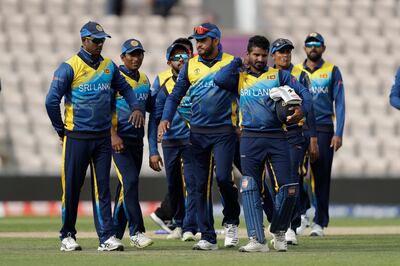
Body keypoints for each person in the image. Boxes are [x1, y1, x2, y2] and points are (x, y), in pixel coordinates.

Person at [45, 21, 144, 251]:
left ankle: (106, 237)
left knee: (103, 189)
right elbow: (51, 101)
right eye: (95, 40)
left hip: (101, 138)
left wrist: (137, 107)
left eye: (102, 40)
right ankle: (67, 235)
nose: (99, 44)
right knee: (71, 187)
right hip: (76, 136)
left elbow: (127, 89)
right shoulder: (69, 67)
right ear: (83, 41)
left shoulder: (109, 67)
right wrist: (61, 129)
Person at [214, 35, 313, 252]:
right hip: (249, 138)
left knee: (288, 188)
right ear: (248, 54)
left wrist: (300, 110)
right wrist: (236, 63)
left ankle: (279, 233)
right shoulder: (239, 77)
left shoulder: (279, 75)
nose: (259, 59)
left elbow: (305, 93)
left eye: (263, 55)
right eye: (255, 55)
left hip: (278, 137)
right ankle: (257, 240)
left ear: (268, 55)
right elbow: (219, 80)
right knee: (251, 187)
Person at [159, 23, 241, 250]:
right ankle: (208, 236)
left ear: (216, 40)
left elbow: (243, 93)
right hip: (197, 133)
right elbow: (175, 96)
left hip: (224, 131)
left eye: (203, 41)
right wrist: (165, 118)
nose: (199, 45)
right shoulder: (190, 65)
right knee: (197, 185)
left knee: (224, 178)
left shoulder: (231, 63)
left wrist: (243, 121)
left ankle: (232, 221)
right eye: (196, 41)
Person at [268, 38, 319, 245]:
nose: (285, 55)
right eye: (281, 52)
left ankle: (291, 225)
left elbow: (310, 106)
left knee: (292, 178)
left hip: (295, 133)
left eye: (288, 51)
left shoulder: (300, 75)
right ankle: (279, 222)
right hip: (270, 134)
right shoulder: (266, 75)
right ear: (273, 54)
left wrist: (313, 137)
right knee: (274, 182)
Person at [295, 32, 345, 237]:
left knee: (321, 176)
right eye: (309, 44)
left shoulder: (332, 70)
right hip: (299, 127)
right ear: (304, 48)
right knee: (296, 173)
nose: (313, 47)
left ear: (323, 48)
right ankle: (301, 213)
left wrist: (339, 132)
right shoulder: (296, 70)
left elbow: (340, 102)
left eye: (317, 44)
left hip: (324, 128)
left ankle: (320, 223)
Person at [152, 42, 198, 241]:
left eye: (185, 57)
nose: (181, 61)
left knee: (191, 183)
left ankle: (189, 227)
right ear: (169, 62)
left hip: (190, 140)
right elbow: (154, 119)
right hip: (170, 142)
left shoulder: (196, 80)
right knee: (173, 186)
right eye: (177, 58)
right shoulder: (164, 86)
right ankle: (178, 224)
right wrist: (153, 149)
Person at [111, 38, 154, 248]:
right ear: (122, 57)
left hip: (137, 142)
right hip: (119, 142)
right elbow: (103, 110)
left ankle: (114, 234)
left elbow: (153, 107)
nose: (136, 58)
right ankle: (137, 232)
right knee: (130, 182)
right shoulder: (114, 78)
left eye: (139, 54)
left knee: (124, 188)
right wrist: (112, 135)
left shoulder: (145, 79)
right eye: (131, 55)